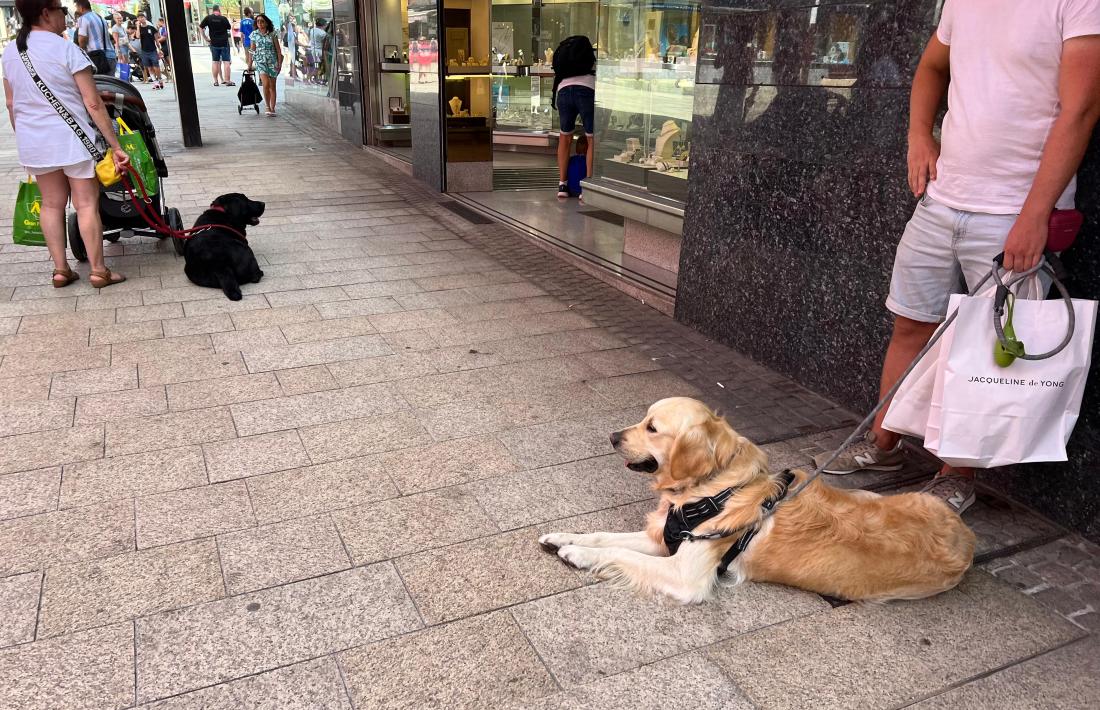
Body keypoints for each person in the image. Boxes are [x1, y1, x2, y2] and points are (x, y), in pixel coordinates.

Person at [816, 0, 1100, 515]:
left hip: (1013, 208)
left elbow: (1081, 109)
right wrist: (918, 135)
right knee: (910, 323)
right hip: (943, 199)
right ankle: (885, 446)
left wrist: (1035, 214)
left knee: (988, 345)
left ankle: (956, 474)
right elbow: (931, 66)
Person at [2, 0, 130, 289]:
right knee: (85, 204)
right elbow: (93, 103)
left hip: (35, 142)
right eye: (61, 10)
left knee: (51, 204)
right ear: (46, 13)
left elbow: (11, 103)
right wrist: (115, 145)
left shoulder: (10, 53)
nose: (66, 16)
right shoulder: (67, 49)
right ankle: (99, 271)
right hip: (73, 140)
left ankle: (61, 270)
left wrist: (25, 137)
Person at [551, 35, 596, 199]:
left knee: (565, 137)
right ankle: (588, 187)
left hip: (563, 90)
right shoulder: (589, 61)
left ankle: (562, 184)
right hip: (587, 90)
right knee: (592, 139)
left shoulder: (567, 65)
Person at [247, 13, 282, 117]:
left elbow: (278, 50)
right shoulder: (254, 34)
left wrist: (279, 64)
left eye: (262, 21)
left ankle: (272, 108)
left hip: (273, 62)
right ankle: (267, 106)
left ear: (266, 23)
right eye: (258, 21)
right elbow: (252, 50)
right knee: (266, 84)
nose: (260, 23)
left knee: (272, 86)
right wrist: (249, 64)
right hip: (260, 62)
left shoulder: (273, 34)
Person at [72, 0, 111, 74]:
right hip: (110, 56)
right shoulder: (100, 17)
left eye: (76, 7)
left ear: (81, 7)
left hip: (98, 58)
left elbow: (82, 40)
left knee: (99, 84)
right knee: (111, 83)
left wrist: (82, 53)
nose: (76, 10)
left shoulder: (83, 18)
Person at [200, 4, 234, 86]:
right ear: (219, 10)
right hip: (224, 43)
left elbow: (201, 27)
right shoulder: (223, 18)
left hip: (214, 43)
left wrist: (205, 38)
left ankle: (216, 81)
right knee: (226, 62)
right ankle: (227, 80)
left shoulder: (208, 18)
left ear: (213, 10)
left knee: (215, 62)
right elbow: (229, 28)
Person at [136, 15, 162, 89]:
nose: (141, 19)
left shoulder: (151, 28)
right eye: (139, 18)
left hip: (153, 50)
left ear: (145, 18)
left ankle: (160, 79)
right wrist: (138, 26)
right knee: (149, 67)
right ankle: (155, 82)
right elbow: (138, 36)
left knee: (156, 66)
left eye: (142, 17)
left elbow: (157, 39)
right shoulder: (139, 29)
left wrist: (159, 50)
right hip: (144, 51)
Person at [309, 18, 326, 83]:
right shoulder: (323, 33)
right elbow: (325, 43)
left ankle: (316, 79)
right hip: (320, 51)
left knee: (317, 66)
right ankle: (310, 78)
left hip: (313, 51)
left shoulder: (312, 30)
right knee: (319, 67)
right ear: (323, 25)